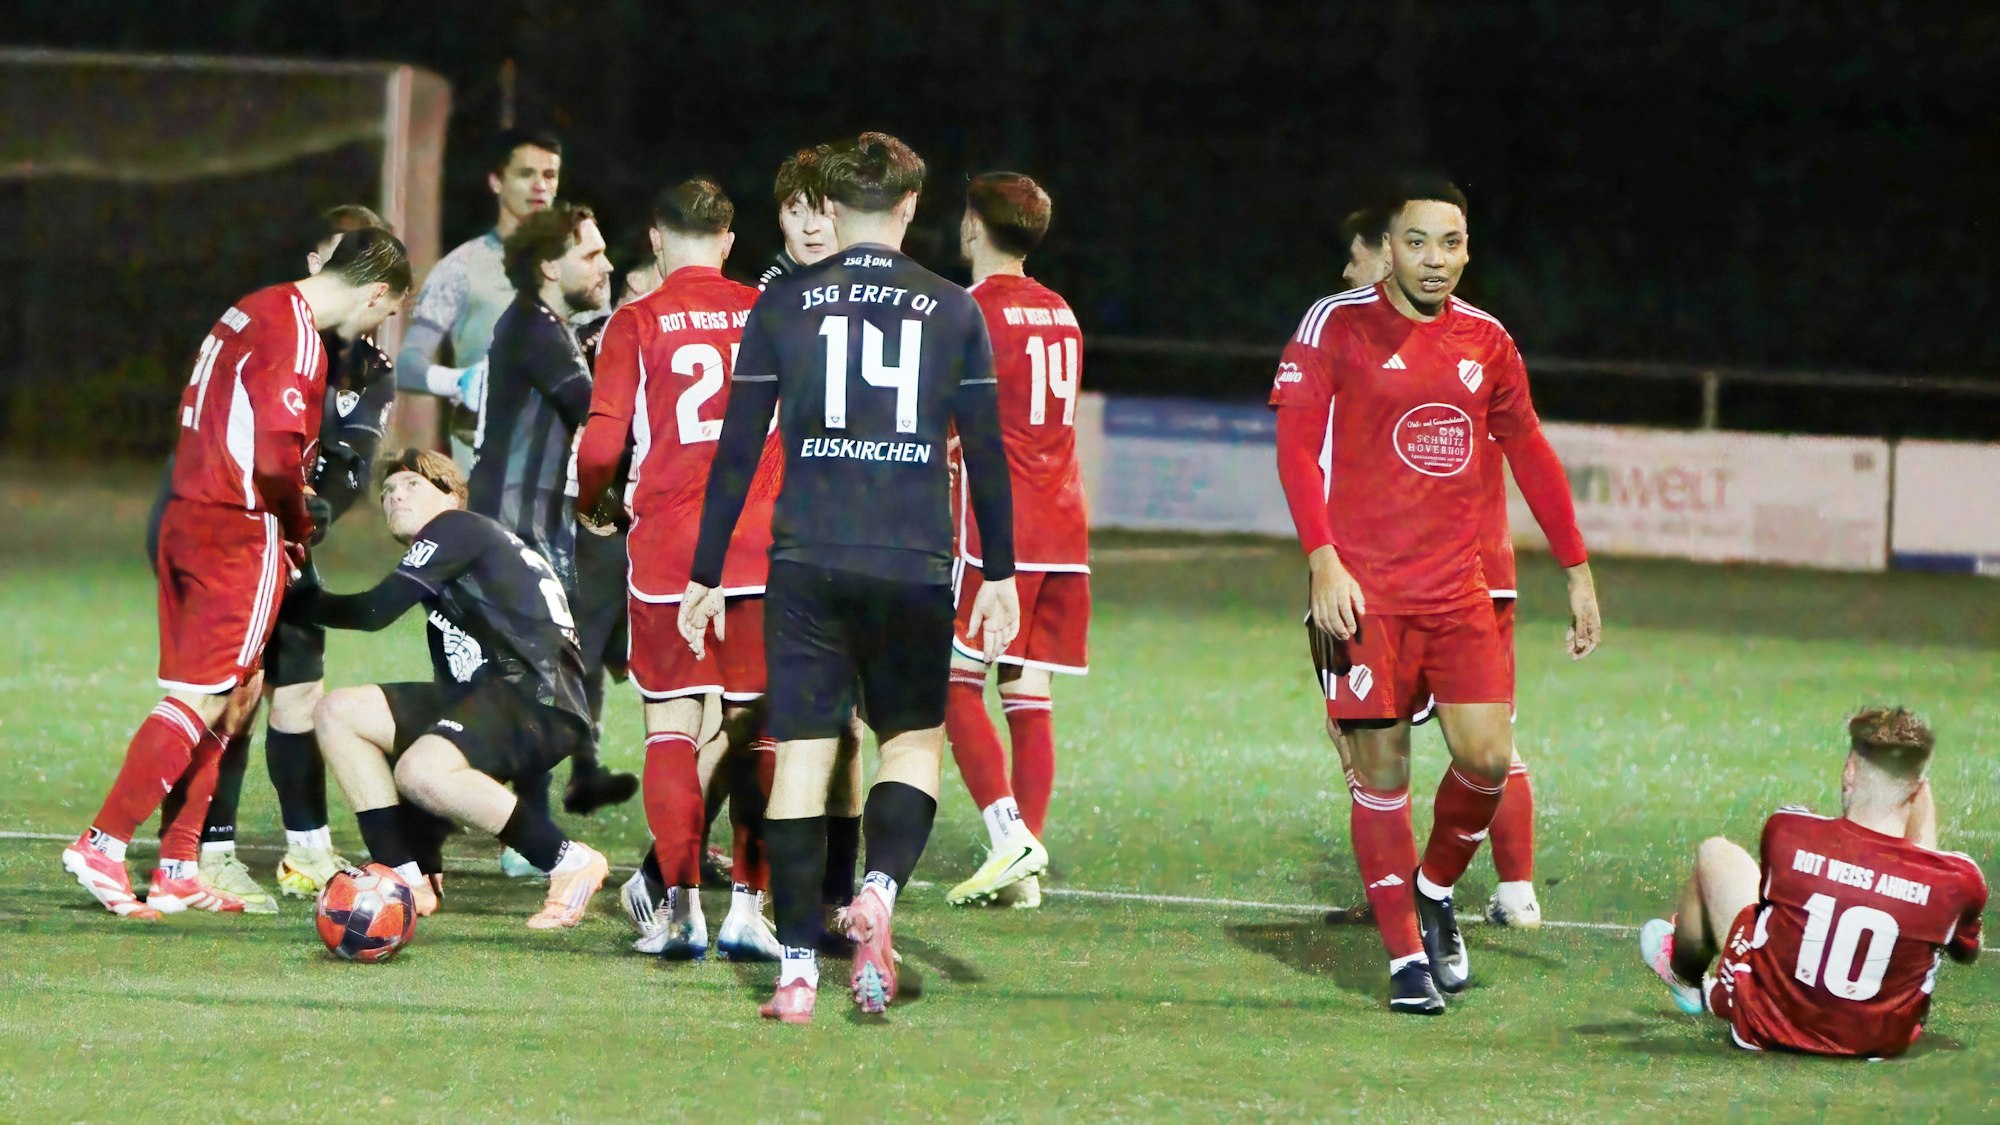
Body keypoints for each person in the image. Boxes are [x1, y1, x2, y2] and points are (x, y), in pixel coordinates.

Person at [679, 132, 1021, 1023]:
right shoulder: (954, 307)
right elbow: (986, 455)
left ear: (829, 209)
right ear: (911, 206)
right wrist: (1002, 572)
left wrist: (706, 569)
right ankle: (876, 890)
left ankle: (795, 971)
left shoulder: (785, 305)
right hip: (911, 557)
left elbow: (736, 450)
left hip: (807, 557)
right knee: (909, 743)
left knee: (803, 758)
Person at [1269, 177, 1601, 1013]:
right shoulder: (1333, 325)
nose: (1435, 260)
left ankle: (1436, 885)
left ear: (1466, 250)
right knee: (1379, 777)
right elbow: (1295, 448)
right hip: (1364, 596)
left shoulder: (1487, 339)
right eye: (1418, 242)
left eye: (1450, 244)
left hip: (1458, 592)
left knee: (1488, 759)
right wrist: (1322, 560)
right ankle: (1406, 959)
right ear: (1390, 247)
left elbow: (1529, 447)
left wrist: (1577, 566)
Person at [62, 228, 411, 919]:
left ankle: (177, 866)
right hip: (237, 524)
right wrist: (298, 521)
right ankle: (103, 842)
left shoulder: (252, 306)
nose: (379, 325)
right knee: (205, 693)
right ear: (375, 292)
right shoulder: (297, 333)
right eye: (386, 310)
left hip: (189, 512)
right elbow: (279, 460)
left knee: (238, 690)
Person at [575, 175, 784, 960]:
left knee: (671, 726)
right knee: (755, 731)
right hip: (761, 547)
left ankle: (682, 912)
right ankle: (749, 909)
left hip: (668, 546)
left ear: (656, 240)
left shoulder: (637, 319)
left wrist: (595, 503)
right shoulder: (765, 312)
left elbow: (600, 446)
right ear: (729, 241)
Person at [1319, 204, 1544, 930]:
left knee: (1475, 743)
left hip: (1447, 576)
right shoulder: (1348, 341)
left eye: (1357, 262)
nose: (1352, 279)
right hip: (1404, 571)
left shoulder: (1461, 342)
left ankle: (1459, 887)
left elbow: (1522, 445)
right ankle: (1415, 894)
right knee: (1403, 745)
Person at [284, 449, 611, 927]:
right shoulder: (461, 553)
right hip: (493, 697)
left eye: (412, 485)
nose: (395, 496)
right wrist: (423, 848)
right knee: (339, 711)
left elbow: (375, 611)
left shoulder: (456, 528)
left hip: (534, 697)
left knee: (421, 770)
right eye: (388, 492)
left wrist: (292, 598)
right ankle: (406, 879)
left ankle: (570, 863)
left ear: (452, 496)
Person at [1640, 708, 1985, 1057]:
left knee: (1716, 854)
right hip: (1875, 1046)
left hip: (1764, 1030)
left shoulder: (1788, 830)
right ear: (1918, 790)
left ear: (1850, 770)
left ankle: (1685, 978)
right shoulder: (1960, 881)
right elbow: (1964, 949)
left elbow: (1771, 906)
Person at [942, 172, 1089, 910]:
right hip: (1064, 528)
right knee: (1029, 692)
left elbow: (946, 422)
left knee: (953, 684)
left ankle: (1008, 837)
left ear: (973, 226)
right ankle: (1023, 873)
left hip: (996, 532)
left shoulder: (968, 312)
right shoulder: (1061, 311)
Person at [472, 201, 637, 821]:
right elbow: (597, 420)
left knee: (559, 663)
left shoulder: (543, 324)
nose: (606, 264)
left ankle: (557, 788)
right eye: (591, 254)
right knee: (533, 673)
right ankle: (510, 818)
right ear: (548, 265)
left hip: (535, 523)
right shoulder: (536, 330)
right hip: (511, 529)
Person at [398, 128, 563, 467]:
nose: (540, 186)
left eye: (549, 175)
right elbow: (407, 365)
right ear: (496, 181)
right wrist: (459, 381)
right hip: (485, 465)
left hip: (558, 467)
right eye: (526, 174)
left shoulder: (579, 261)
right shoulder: (461, 267)